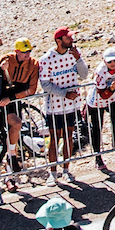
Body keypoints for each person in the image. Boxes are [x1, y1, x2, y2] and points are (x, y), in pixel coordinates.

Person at [37, 30, 89, 175]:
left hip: (72, 105)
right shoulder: (46, 59)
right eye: (68, 38)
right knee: (54, 139)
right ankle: (53, 172)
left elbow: (84, 75)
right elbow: (45, 84)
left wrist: (79, 59)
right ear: (59, 40)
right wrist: (64, 93)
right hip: (55, 106)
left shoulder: (74, 54)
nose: (71, 40)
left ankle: (66, 170)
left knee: (69, 137)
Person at [88, 53, 115, 156]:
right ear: (104, 61)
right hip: (98, 100)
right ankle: (97, 155)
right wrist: (111, 88)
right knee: (97, 127)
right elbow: (102, 94)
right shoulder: (100, 71)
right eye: (109, 61)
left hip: (114, 97)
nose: (112, 63)